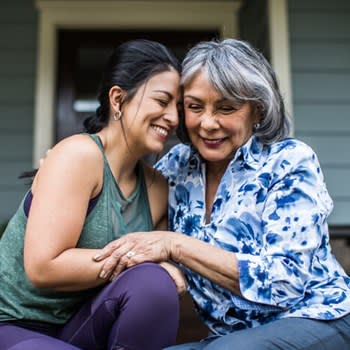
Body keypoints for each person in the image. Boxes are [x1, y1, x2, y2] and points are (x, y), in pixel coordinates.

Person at [94, 38, 350, 349]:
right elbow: (127, 220)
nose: (208, 123)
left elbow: (285, 283)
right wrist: (70, 172)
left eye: (226, 108)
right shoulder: (175, 168)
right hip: (231, 339)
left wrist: (176, 246)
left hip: (319, 317)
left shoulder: (289, 161)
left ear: (257, 111)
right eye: (194, 107)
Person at [0, 39, 185, 350]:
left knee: (154, 285)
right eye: (161, 101)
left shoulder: (156, 188)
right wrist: (137, 260)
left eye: (177, 107)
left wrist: (162, 266)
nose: (173, 118)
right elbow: (43, 267)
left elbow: (159, 275)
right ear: (118, 99)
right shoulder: (78, 155)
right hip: (13, 324)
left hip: (81, 326)